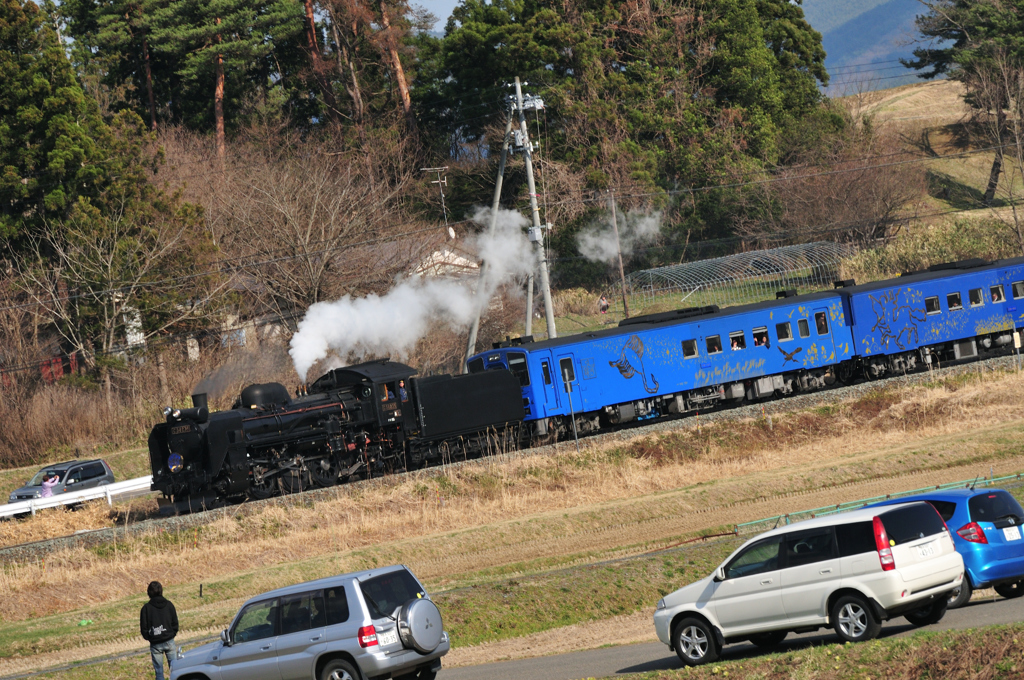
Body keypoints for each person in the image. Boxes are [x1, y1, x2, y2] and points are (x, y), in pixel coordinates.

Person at [141, 581, 179, 680]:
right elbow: (175, 623)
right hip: (169, 641)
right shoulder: (169, 605)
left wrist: (150, 638)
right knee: (176, 670)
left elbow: (144, 628)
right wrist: (171, 634)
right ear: (161, 590)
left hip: (155, 644)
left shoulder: (146, 608)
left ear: (149, 592)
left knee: (159, 673)